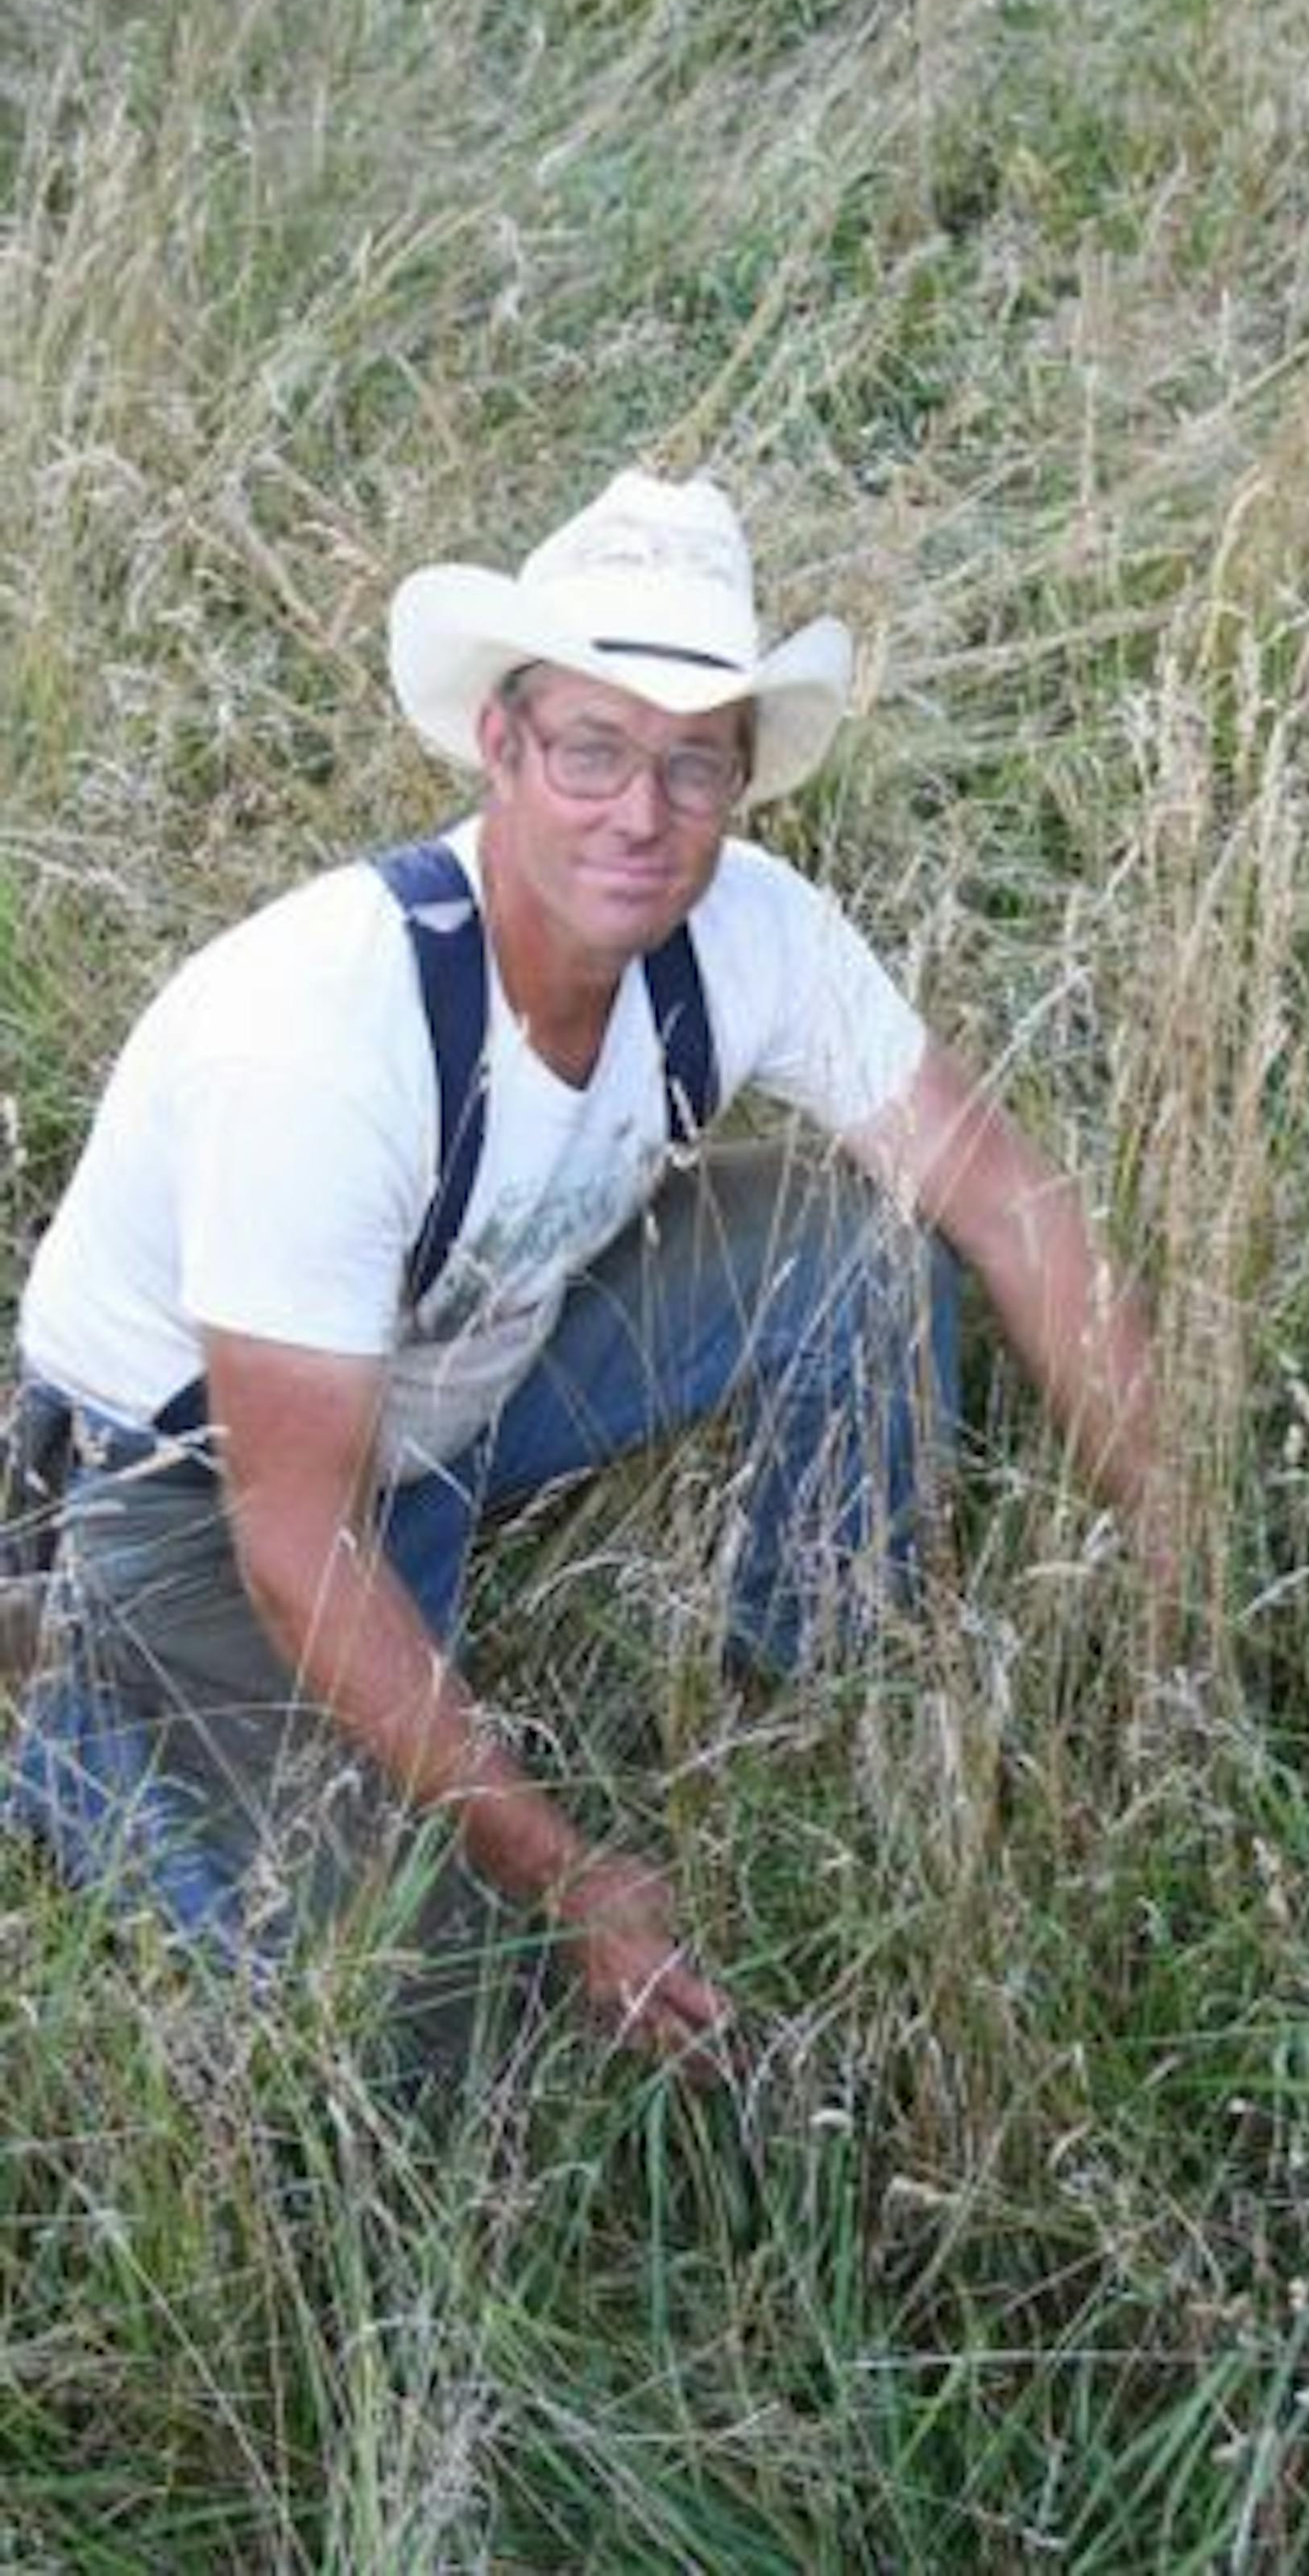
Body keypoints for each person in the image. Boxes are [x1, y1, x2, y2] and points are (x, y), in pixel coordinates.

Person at [1, 470, 1170, 2080]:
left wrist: (1175, 1565)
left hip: (456, 1371)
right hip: (199, 1490)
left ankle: (809, 1694)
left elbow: (1010, 1200)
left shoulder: (753, 933)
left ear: (743, 778)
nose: (643, 812)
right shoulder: (324, 1044)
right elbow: (294, 1541)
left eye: (695, 763)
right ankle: (70, 1710)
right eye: (594, 750)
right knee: (448, 2015)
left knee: (865, 1249)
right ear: (501, 746)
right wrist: (572, 1876)